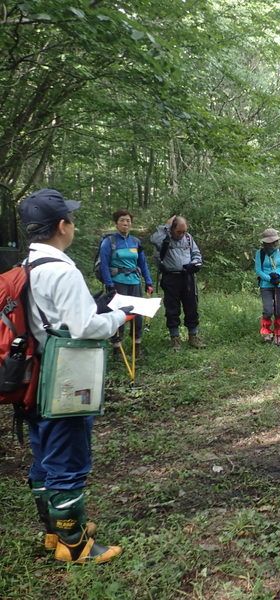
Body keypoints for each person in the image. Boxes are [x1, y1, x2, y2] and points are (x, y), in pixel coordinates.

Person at [20, 189, 132, 563]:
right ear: (63, 226)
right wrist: (121, 315)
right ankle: (74, 546)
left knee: (45, 457)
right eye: (71, 219)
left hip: (33, 378)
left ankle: (55, 530)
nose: (74, 224)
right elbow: (85, 327)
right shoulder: (62, 270)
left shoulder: (28, 266)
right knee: (68, 459)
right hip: (65, 381)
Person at [98, 209, 154, 357]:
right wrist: (109, 284)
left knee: (137, 314)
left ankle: (137, 346)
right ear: (116, 223)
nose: (125, 223)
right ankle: (117, 347)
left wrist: (148, 281)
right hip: (117, 283)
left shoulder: (136, 242)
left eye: (128, 220)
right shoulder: (108, 242)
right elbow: (104, 264)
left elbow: (143, 263)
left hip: (134, 282)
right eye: (122, 220)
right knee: (118, 314)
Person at [150, 216, 204, 350]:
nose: (181, 235)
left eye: (184, 231)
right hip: (171, 278)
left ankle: (193, 336)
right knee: (172, 308)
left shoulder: (188, 238)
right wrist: (165, 228)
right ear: (171, 229)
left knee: (191, 306)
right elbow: (154, 240)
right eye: (178, 232)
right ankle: (175, 338)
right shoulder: (164, 238)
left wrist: (195, 264)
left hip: (188, 277)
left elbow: (196, 253)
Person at [255, 228, 280, 345]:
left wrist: (278, 275)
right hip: (266, 285)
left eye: (273, 242)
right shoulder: (260, 253)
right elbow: (259, 270)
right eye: (268, 242)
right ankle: (267, 332)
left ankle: (278, 333)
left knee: (279, 310)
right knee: (268, 310)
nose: (271, 244)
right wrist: (270, 278)